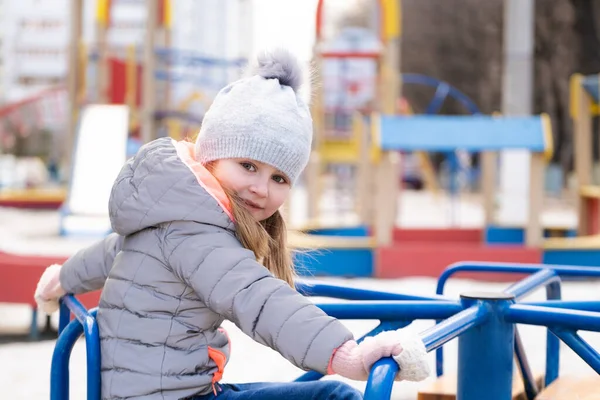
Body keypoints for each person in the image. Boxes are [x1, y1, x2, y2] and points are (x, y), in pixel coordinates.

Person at [34, 48, 429, 400]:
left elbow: (108, 255)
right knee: (333, 396)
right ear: (211, 155)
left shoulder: (167, 211)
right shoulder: (198, 236)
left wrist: (61, 280)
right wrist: (349, 355)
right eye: (249, 165)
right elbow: (260, 301)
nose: (260, 189)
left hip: (153, 389)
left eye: (279, 178)